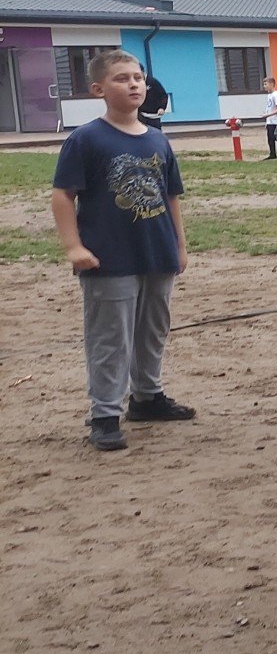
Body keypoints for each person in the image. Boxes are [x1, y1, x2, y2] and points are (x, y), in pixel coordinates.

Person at [49, 50, 195, 453]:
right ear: (98, 89)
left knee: (152, 330)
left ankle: (147, 397)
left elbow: (171, 196)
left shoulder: (157, 139)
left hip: (157, 253)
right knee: (110, 336)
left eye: (138, 77)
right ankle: (105, 414)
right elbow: (63, 195)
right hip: (109, 257)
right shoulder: (86, 139)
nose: (133, 84)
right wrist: (74, 247)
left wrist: (179, 246)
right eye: (121, 78)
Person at [260, 76, 277, 159]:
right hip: (270, 121)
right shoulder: (269, 95)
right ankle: (272, 154)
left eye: (266, 84)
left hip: (275, 121)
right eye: (264, 84)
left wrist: (268, 115)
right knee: (270, 139)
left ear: (272, 84)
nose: (264, 86)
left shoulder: (276, 95)